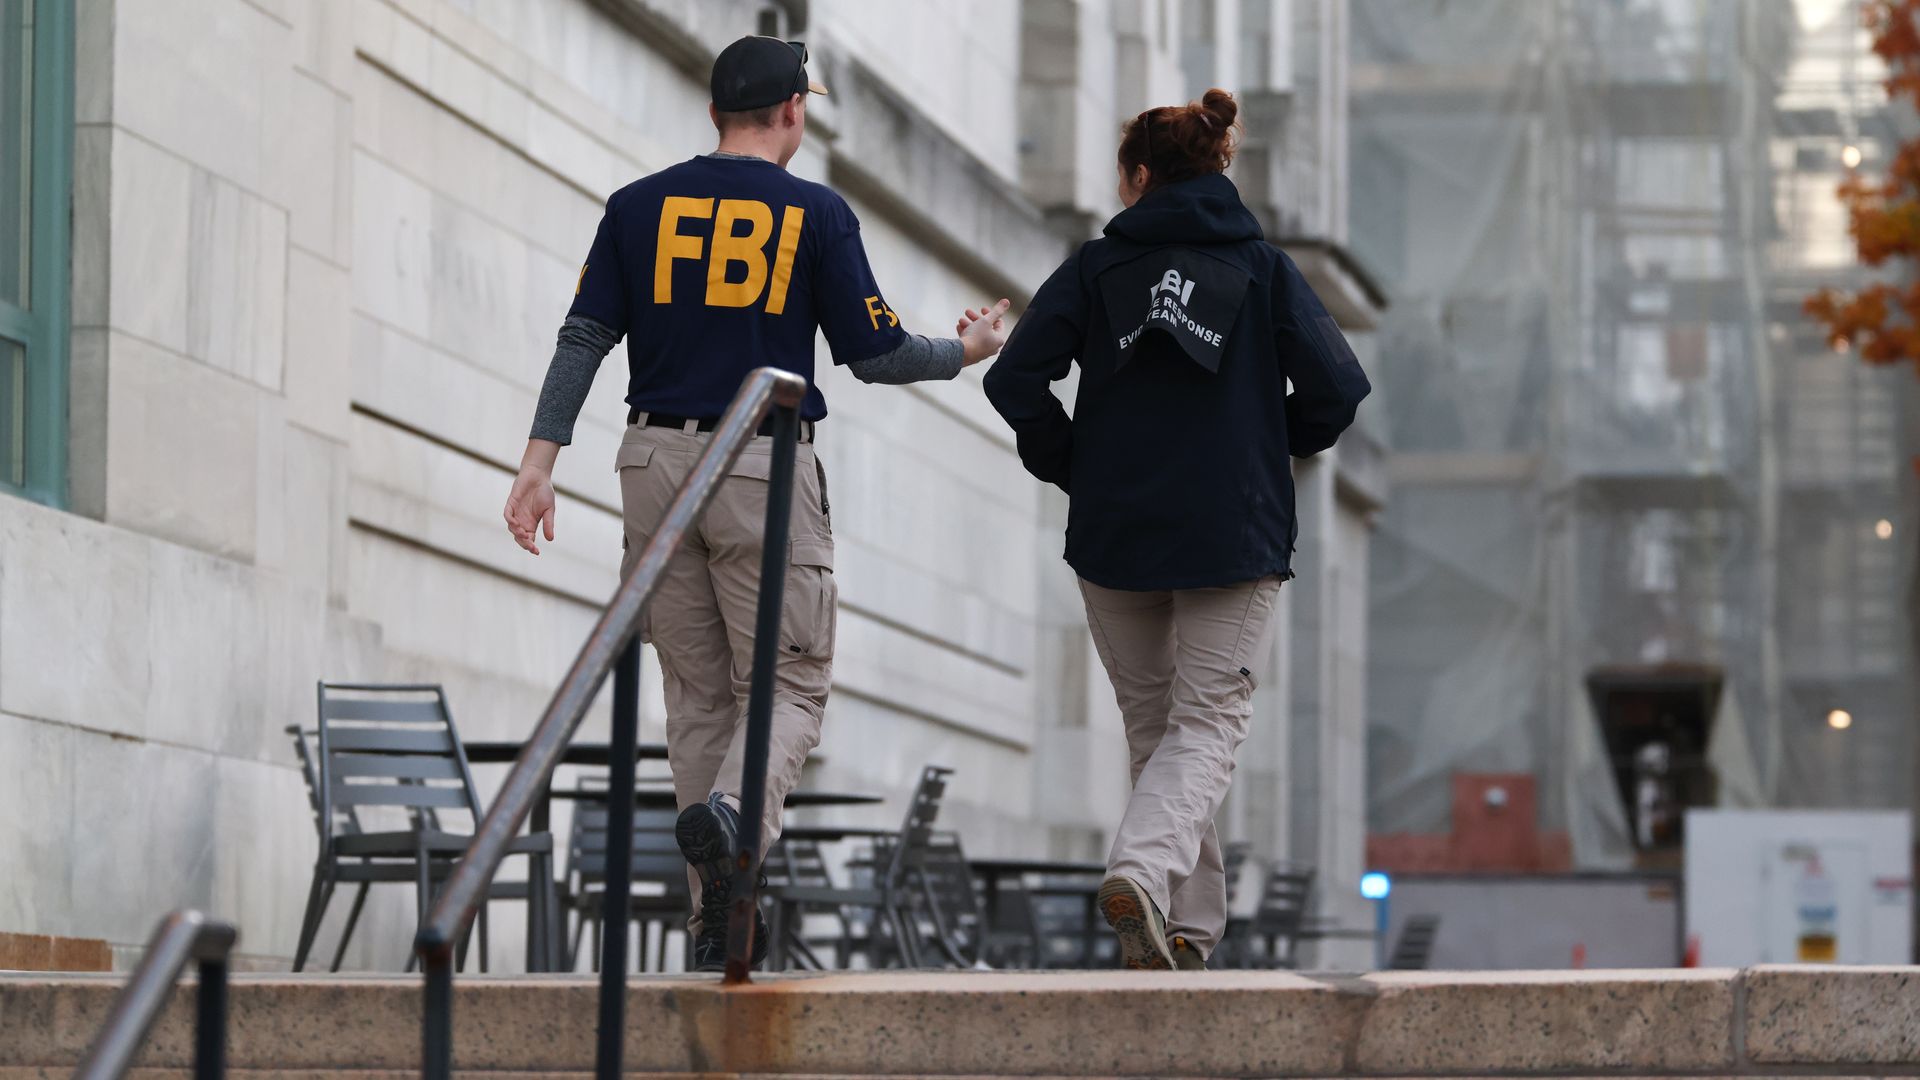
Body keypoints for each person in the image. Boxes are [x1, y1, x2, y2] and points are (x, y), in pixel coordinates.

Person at [502, 35, 1011, 971]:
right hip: (759, 465)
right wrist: (967, 350)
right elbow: (877, 354)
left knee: (695, 695)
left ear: (712, 115)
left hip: (650, 460)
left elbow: (583, 337)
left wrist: (538, 464)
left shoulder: (636, 205)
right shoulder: (816, 212)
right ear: (793, 113)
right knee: (787, 681)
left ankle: (714, 920)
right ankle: (737, 823)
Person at [982, 88, 1371, 970]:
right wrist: (1274, 449)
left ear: (1141, 177)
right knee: (1206, 728)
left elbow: (1014, 384)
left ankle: (1185, 935)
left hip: (1115, 534)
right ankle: (1146, 878)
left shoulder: (1093, 268)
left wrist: (1075, 465)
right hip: (1232, 531)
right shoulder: (1264, 268)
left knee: (1161, 735)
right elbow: (1338, 392)